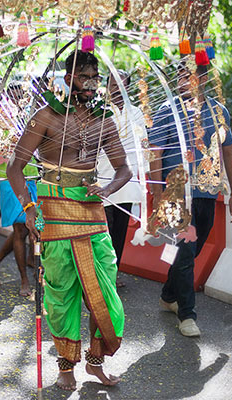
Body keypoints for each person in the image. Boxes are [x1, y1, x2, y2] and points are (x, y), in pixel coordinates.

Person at [8, 50, 131, 390]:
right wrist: (29, 208)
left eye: (95, 79)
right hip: (54, 207)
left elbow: (125, 168)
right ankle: (65, 367)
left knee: (104, 289)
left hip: (92, 211)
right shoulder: (45, 117)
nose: (91, 85)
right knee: (62, 290)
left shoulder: (105, 120)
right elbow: (14, 166)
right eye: (84, 78)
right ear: (67, 80)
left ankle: (95, 361)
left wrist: (105, 188)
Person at [149, 63, 232, 337]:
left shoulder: (218, 111)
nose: (183, 81)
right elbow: (155, 153)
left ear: (203, 79)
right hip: (176, 194)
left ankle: (168, 295)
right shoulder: (167, 110)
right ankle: (187, 315)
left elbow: (229, 153)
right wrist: (156, 194)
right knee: (186, 252)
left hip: (207, 193)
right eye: (179, 76)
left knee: (191, 249)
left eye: (189, 76)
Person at [0, 89, 38, 296]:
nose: (17, 103)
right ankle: (24, 280)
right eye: (13, 99)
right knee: (20, 230)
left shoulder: (30, 122)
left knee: (28, 228)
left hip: (33, 178)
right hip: (10, 182)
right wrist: (11, 148)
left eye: (21, 99)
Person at [97, 71, 144, 288]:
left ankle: (112, 275)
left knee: (120, 231)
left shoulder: (137, 113)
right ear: (106, 87)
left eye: (121, 83)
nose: (116, 87)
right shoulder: (100, 111)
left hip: (128, 181)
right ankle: (101, 276)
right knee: (104, 232)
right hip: (104, 178)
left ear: (127, 86)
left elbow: (143, 147)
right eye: (113, 83)